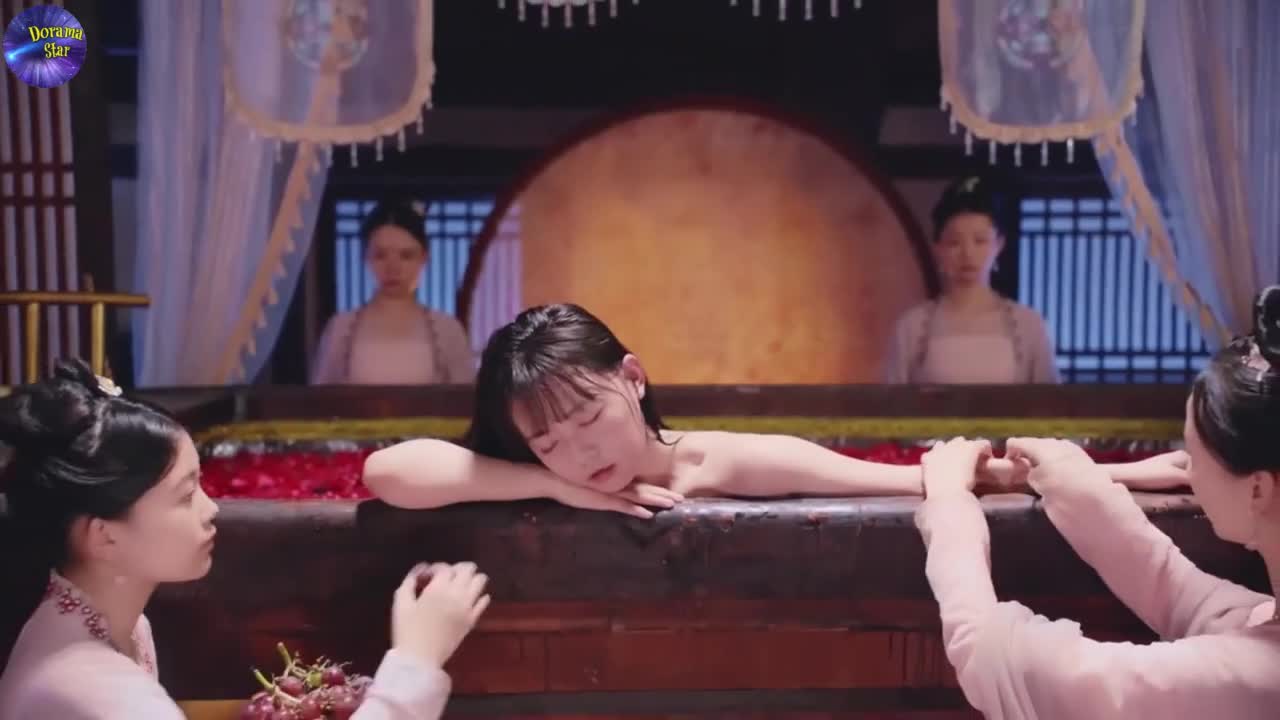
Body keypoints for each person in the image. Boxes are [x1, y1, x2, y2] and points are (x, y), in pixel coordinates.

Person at [0, 360, 490, 719]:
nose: (211, 508)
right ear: (103, 536)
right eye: (186, 495)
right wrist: (416, 659)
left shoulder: (112, 625)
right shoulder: (95, 688)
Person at [363, 303, 1184, 515]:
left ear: (634, 378)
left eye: (587, 419)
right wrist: (553, 486)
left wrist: (1131, 473)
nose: (577, 451)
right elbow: (384, 472)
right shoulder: (540, 473)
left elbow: (900, 482)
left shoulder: (708, 459)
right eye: (546, 441)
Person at [913, 287, 1280, 719]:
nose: (1185, 468)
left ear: (1258, 489)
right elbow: (1190, 600)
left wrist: (950, 506)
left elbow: (992, 654)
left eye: (1193, 455)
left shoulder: (1253, 675)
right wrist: (1079, 486)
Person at [886, 175, 1059, 384]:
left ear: (999, 245)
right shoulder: (911, 327)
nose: (968, 253)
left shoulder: (1029, 325)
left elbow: (1050, 401)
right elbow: (893, 401)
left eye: (980, 240)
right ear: (938, 248)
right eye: (954, 242)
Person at [311, 199, 475, 385]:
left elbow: (466, 397)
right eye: (380, 255)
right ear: (365, 256)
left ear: (424, 258)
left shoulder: (448, 330)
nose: (393, 268)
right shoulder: (340, 328)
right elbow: (320, 398)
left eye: (406, 256)